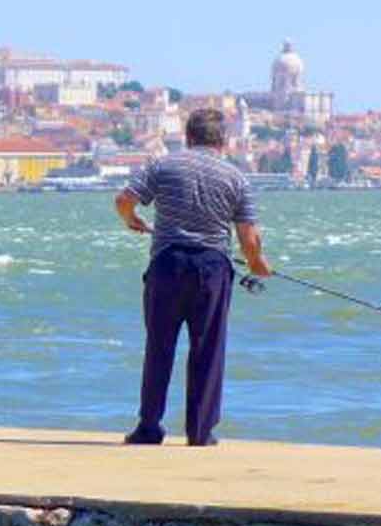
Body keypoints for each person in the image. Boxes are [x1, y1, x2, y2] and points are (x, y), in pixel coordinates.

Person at [114, 107, 273, 446]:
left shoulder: (164, 165)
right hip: (212, 268)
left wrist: (131, 220)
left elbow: (125, 199)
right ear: (223, 141)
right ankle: (200, 431)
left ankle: (149, 427)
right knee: (207, 348)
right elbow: (248, 236)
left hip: (167, 263)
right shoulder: (236, 178)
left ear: (188, 137)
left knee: (159, 347)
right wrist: (257, 263)